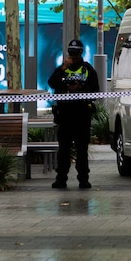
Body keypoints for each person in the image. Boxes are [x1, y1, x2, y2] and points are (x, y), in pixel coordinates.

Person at [47, 38, 99, 189]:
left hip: (82, 115)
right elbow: (51, 83)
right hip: (65, 115)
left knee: (82, 149)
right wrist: (63, 67)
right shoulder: (62, 69)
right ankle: (61, 179)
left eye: (75, 54)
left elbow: (95, 91)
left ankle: (83, 179)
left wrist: (79, 89)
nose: (73, 57)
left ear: (81, 53)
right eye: (71, 53)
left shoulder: (88, 70)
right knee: (64, 149)